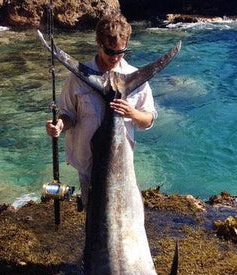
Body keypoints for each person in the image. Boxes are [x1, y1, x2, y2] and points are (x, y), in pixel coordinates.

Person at [46, 13, 157, 209]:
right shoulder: (78, 77)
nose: (115, 57)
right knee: (96, 217)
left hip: (122, 168)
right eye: (110, 51)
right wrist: (60, 125)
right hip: (89, 165)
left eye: (121, 52)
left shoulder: (135, 79)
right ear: (98, 43)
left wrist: (132, 113)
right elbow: (68, 114)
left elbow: (148, 120)